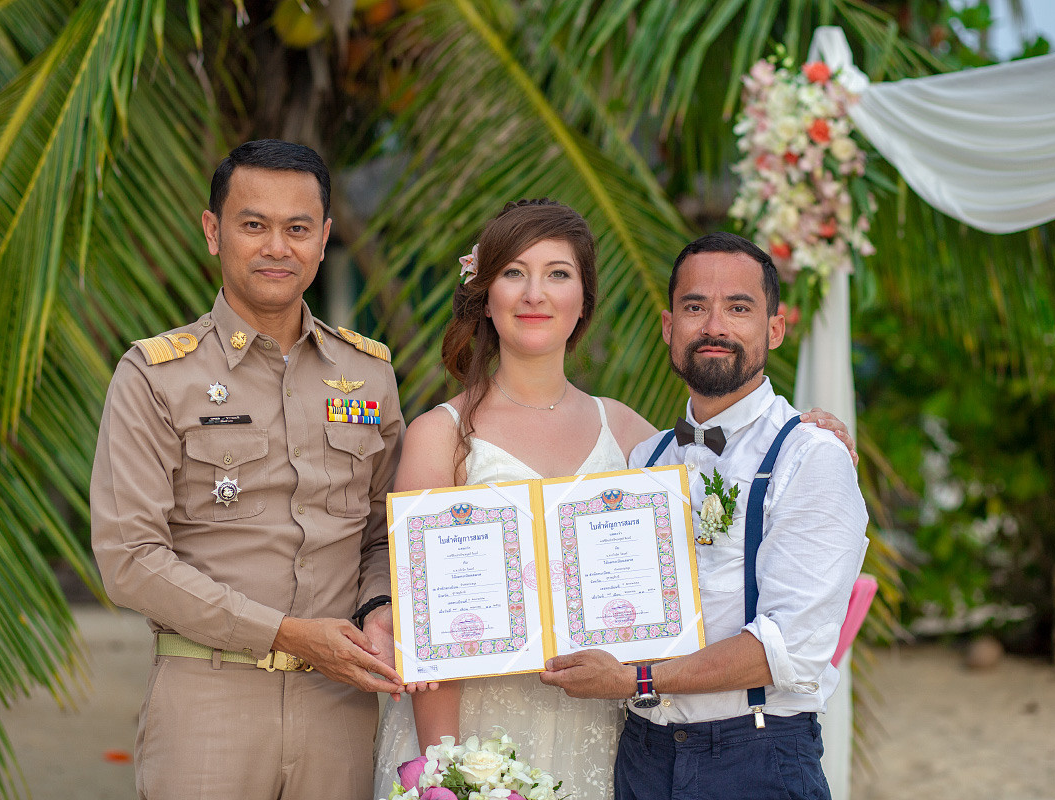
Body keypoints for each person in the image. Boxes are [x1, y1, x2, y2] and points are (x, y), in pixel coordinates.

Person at [372, 205, 858, 800]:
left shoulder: (630, 436)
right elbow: (431, 624)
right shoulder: (446, 435)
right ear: (485, 291)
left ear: (584, 300)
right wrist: (451, 773)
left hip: (609, 732)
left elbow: (740, 459)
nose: (535, 295)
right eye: (514, 273)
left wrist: (811, 433)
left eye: (557, 274)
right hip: (497, 739)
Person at [91, 139, 407, 800]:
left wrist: (378, 608)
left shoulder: (367, 371)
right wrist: (286, 634)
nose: (276, 247)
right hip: (208, 699)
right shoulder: (156, 375)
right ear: (214, 232)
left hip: (337, 707)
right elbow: (131, 557)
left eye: (296, 229)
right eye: (253, 225)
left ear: (323, 240)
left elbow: (383, 530)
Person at [539, 231, 869, 800]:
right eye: (696, 307)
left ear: (775, 329)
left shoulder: (811, 456)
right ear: (671, 328)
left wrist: (632, 679)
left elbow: (786, 646)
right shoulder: (647, 458)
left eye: (738, 307)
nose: (714, 325)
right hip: (643, 754)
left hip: (755, 758)